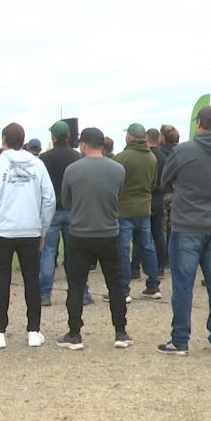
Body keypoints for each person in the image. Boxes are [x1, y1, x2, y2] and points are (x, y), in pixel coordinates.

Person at [155, 106, 211, 355]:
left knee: (182, 284)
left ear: (199, 124)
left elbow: (165, 181)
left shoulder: (183, 151)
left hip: (187, 223)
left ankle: (180, 339)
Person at [0, 122, 55, 349]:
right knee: (32, 279)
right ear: (23, 140)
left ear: (3, 140)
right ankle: (33, 330)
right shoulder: (38, 165)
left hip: (1, 230)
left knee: (1, 280)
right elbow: (49, 199)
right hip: (30, 230)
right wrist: (43, 228)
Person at [56, 127, 132, 350]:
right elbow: (118, 194)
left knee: (76, 284)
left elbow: (66, 201)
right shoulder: (118, 169)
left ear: (83, 145)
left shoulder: (72, 170)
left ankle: (74, 333)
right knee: (115, 284)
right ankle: (120, 331)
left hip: (80, 233)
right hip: (109, 232)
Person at [113, 123, 161, 302]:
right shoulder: (152, 158)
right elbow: (153, 183)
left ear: (131, 137)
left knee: (124, 250)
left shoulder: (121, 158)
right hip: (144, 208)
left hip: (124, 209)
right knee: (147, 247)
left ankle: (124, 290)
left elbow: (115, 184)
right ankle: (153, 285)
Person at [38, 120, 84, 307]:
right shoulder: (78, 157)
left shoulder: (43, 158)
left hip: (51, 211)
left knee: (48, 253)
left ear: (54, 137)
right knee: (75, 253)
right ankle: (82, 292)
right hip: (73, 210)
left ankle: (44, 294)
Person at [131, 127, 168, 278]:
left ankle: (135, 266)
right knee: (158, 233)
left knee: (140, 234)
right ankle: (160, 266)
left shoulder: (143, 157)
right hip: (159, 198)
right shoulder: (164, 157)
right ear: (158, 139)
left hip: (144, 198)